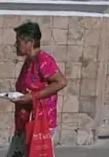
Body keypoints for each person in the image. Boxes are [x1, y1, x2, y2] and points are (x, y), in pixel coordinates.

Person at [6, 21, 67, 157]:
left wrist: (33, 97)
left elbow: (61, 82)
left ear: (30, 42)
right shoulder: (29, 61)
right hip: (25, 122)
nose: (16, 45)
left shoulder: (44, 60)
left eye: (19, 41)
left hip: (40, 124)